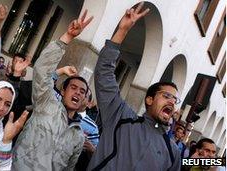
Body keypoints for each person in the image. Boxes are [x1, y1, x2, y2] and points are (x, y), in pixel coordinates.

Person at [87, 3, 181, 171]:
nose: (172, 102)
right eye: (166, 96)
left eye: (175, 99)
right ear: (150, 99)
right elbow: (104, 74)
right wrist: (122, 31)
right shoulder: (120, 117)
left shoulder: (172, 152)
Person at [12, 10, 93, 170]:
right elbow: (42, 70)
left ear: (84, 99)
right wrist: (67, 38)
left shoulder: (78, 136)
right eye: (73, 88)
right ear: (63, 91)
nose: (77, 92)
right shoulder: (46, 103)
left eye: (82, 91)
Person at [76, 89, 100, 171]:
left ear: (89, 104)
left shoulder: (92, 127)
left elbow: (94, 157)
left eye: (84, 95)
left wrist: (92, 149)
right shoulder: (58, 112)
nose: (78, 94)